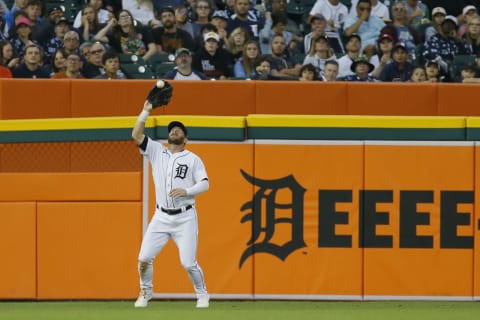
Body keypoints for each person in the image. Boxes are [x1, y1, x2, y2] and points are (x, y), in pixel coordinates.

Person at [131, 102, 210, 309]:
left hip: (185, 217)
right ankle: (146, 291)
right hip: (161, 216)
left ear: (186, 139)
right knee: (144, 258)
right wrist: (146, 111)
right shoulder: (157, 150)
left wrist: (187, 191)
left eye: (179, 130)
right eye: (172, 129)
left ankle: (202, 294)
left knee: (188, 263)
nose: (175, 130)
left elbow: (205, 183)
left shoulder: (193, 159)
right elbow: (136, 135)